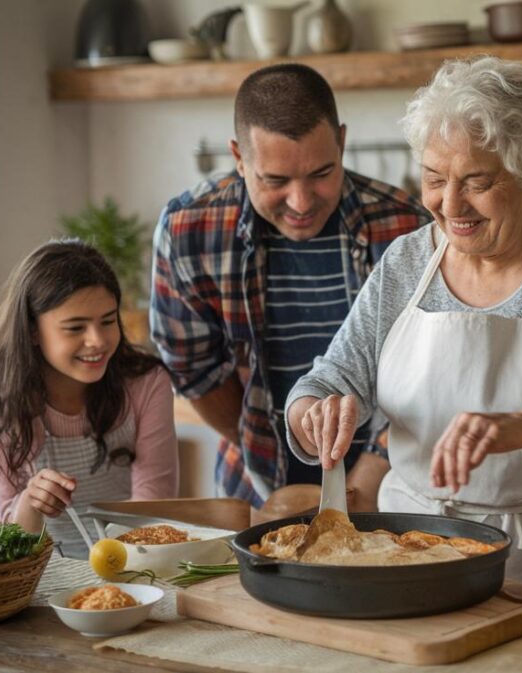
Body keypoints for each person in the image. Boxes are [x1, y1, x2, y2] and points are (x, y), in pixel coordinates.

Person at [284, 57, 522, 601]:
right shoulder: (405, 264)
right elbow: (329, 378)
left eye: (477, 181)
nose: (450, 206)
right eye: (434, 179)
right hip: (403, 550)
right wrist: (314, 414)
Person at [151, 64, 429, 508]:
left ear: (341, 141)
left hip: (392, 483)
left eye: (321, 173)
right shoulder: (189, 229)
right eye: (275, 181)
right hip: (254, 486)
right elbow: (193, 369)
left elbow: (426, 376)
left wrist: (366, 480)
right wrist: (263, 449)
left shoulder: (406, 227)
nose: (300, 202)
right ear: (239, 158)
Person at [0, 240, 178, 558]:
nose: (98, 341)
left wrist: (114, 573)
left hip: (139, 561)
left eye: (108, 320)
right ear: (32, 331)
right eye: (75, 328)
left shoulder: (147, 382)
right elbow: (13, 540)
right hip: (42, 580)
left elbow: (154, 502)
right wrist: (30, 501)